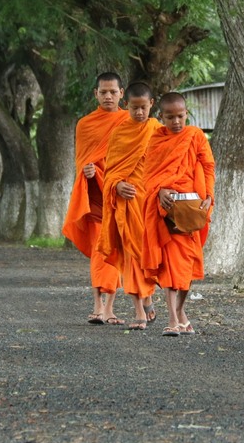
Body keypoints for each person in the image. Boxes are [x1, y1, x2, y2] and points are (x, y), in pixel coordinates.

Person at [142, 92, 215, 336]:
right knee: (171, 267)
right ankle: (172, 319)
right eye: (170, 117)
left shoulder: (195, 136)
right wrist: (159, 190)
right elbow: (149, 175)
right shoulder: (156, 140)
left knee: (187, 269)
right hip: (167, 212)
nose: (175, 122)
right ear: (160, 117)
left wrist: (209, 197)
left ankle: (181, 312)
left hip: (192, 210)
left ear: (187, 115)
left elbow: (208, 167)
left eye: (180, 116)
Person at [62, 72, 131, 325]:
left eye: (113, 92)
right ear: (96, 94)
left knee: (115, 250)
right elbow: (82, 160)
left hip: (119, 194)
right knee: (99, 251)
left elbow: (134, 159)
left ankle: (110, 308)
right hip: (94, 195)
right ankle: (97, 305)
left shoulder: (129, 122)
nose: (108, 96)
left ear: (122, 93)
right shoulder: (85, 124)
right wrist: (88, 170)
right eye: (103, 92)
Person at [97, 82, 161, 331]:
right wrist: (117, 186)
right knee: (131, 256)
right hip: (127, 202)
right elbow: (110, 172)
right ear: (127, 106)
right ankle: (139, 313)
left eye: (143, 108)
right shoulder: (119, 133)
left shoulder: (157, 130)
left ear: (151, 105)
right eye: (134, 108)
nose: (139, 113)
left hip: (150, 202)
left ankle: (148, 298)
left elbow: (165, 167)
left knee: (147, 255)